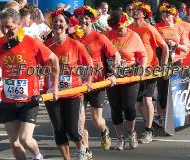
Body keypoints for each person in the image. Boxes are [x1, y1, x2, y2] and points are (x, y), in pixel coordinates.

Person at [0, 8, 60, 160]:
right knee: (15, 143)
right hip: (8, 101)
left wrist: (54, 86)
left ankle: (37, 155)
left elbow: (54, 59)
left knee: (25, 139)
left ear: (18, 24)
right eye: (2, 27)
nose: (5, 30)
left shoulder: (31, 42)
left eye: (9, 26)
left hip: (30, 100)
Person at [44, 9, 93, 160]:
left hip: (72, 93)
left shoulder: (75, 45)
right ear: (51, 24)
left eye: (61, 21)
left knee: (72, 130)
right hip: (52, 94)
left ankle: (81, 150)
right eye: (55, 21)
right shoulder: (46, 45)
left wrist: (89, 80)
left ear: (66, 25)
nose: (58, 24)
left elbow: (89, 63)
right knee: (59, 130)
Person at [73, 5, 120, 157]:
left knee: (96, 119)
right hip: (78, 83)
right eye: (80, 19)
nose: (83, 21)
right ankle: (85, 149)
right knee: (79, 119)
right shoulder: (73, 37)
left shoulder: (99, 37)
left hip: (96, 82)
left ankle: (104, 130)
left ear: (91, 21)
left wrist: (112, 74)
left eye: (86, 19)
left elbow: (115, 56)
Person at [105, 10, 147, 150]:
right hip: (112, 75)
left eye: (120, 28)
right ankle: (120, 137)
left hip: (130, 75)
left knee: (129, 107)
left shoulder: (133, 36)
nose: (118, 31)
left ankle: (131, 133)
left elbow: (143, 55)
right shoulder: (108, 35)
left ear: (125, 24)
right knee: (115, 108)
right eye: (115, 29)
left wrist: (142, 68)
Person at [128, 1, 169, 144]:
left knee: (147, 100)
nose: (135, 11)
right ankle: (149, 121)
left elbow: (164, 47)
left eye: (139, 10)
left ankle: (148, 130)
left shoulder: (149, 28)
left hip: (151, 69)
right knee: (138, 105)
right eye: (133, 9)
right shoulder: (128, 29)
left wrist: (163, 65)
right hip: (135, 70)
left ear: (145, 14)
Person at [155, 3, 189, 126]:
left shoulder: (180, 28)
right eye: (163, 13)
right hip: (162, 63)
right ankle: (162, 117)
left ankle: (176, 118)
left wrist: (175, 45)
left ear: (173, 15)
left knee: (175, 91)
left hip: (176, 63)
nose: (165, 15)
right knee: (162, 91)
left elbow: (186, 48)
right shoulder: (157, 27)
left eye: (168, 13)